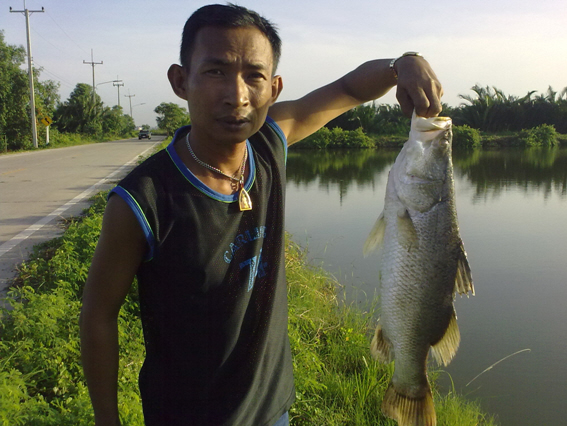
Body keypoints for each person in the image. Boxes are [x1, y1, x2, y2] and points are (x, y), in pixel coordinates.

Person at [80, 4, 443, 426]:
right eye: (215, 71)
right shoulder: (142, 201)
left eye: (254, 75)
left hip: (273, 411)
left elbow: (349, 88)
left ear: (273, 88)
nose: (237, 95)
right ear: (181, 81)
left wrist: (403, 65)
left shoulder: (270, 143)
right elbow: (98, 315)